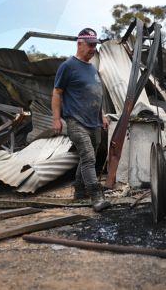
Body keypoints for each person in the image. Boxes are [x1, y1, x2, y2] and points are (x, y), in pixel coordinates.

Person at [52, 28, 111, 212]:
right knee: (89, 157)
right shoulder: (68, 66)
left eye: (95, 45)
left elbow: (96, 94)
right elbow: (57, 92)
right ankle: (96, 196)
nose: (94, 49)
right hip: (76, 122)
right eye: (90, 45)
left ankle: (79, 192)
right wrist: (56, 118)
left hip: (94, 122)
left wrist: (102, 115)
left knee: (86, 159)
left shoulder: (92, 68)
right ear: (80, 43)